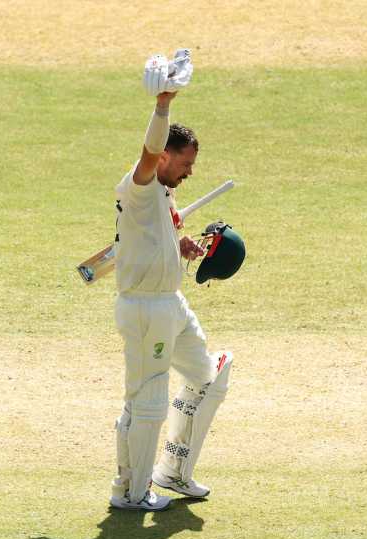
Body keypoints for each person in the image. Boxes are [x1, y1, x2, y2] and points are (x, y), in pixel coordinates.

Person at [109, 49, 234, 511]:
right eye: (185, 163)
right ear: (165, 155)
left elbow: (151, 236)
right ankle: (131, 492)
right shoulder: (140, 185)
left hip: (170, 303)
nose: (190, 172)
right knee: (147, 402)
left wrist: (176, 245)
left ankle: (173, 472)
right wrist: (163, 105)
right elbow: (148, 152)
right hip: (144, 308)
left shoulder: (162, 193)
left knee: (210, 375)